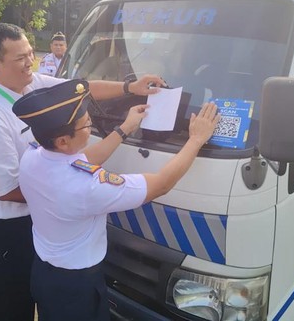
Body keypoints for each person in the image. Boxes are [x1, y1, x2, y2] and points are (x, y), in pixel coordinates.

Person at [0, 23, 165, 321]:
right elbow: (7, 190)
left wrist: (130, 88)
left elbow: (79, 87)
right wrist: (62, 194)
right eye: (20, 58)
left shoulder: (29, 86)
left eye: (31, 52)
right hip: (5, 226)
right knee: (8, 302)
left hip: (38, 217)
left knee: (40, 294)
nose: (30, 61)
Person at [13, 80, 219, 321]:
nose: (89, 127)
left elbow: (81, 159)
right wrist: (196, 139)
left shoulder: (34, 157)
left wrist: (124, 129)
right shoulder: (86, 186)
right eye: (86, 125)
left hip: (45, 275)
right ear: (62, 141)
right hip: (76, 288)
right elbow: (161, 184)